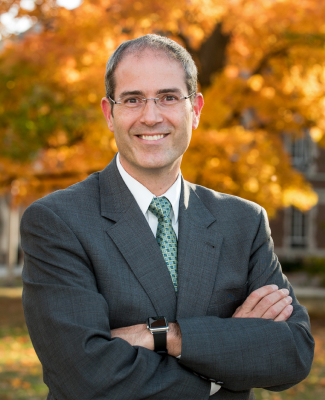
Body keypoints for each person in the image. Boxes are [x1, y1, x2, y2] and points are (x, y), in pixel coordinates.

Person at [21, 34, 314, 400]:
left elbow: (293, 353)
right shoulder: (57, 221)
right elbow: (86, 377)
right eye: (132, 100)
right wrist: (222, 366)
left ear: (196, 110)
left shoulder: (244, 221)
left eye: (169, 97)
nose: (151, 115)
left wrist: (166, 336)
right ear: (109, 114)